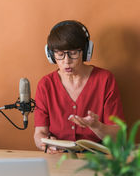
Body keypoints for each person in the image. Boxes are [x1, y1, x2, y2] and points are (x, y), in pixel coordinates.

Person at [34, 20, 124, 154]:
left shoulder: (105, 79)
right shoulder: (45, 84)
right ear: (51, 55)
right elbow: (39, 133)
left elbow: (118, 137)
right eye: (60, 54)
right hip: (58, 156)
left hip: (96, 157)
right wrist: (45, 143)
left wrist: (96, 126)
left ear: (86, 51)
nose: (66, 61)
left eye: (73, 53)